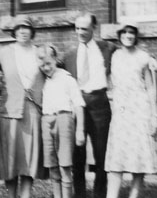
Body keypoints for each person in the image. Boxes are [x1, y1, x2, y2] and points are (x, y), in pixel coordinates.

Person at [0, 15, 47, 198]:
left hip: (34, 111)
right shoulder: (5, 52)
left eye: (26, 27)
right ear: (14, 31)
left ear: (32, 31)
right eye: (19, 28)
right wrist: (1, 86)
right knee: (11, 157)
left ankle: (26, 195)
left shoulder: (40, 52)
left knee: (29, 157)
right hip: (10, 110)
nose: (22, 31)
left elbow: (54, 69)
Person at [104, 22, 157, 198]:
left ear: (136, 36)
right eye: (125, 32)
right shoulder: (114, 55)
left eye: (132, 32)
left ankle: (134, 195)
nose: (128, 35)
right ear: (120, 35)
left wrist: (154, 114)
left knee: (139, 156)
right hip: (121, 110)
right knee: (117, 156)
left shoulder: (144, 57)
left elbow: (151, 87)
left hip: (140, 110)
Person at [62, 12, 115, 198]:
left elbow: (129, 52)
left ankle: (100, 194)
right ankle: (80, 194)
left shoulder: (107, 47)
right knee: (78, 155)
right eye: (77, 28)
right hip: (78, 106)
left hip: (100, 104)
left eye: (84, 28)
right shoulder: (69, 54)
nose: (80, 32)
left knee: (102, 155)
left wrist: (152, 59)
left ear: (94, 28)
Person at [36, 44, 86, 198]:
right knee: (52, 166)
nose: (46, 68)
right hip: (46, 121)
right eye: (42, 65)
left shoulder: (66, 78)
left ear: (56, 60)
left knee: (65, 165)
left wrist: (80, 131)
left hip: (64, 119)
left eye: (49, 64)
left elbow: (79, 104)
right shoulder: (42, 80)